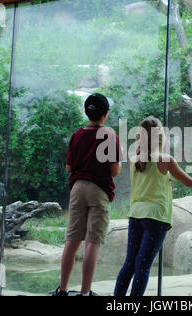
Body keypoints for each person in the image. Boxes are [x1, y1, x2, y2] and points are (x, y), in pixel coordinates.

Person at [114, 116, 192, 296]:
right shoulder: (165, 160)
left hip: (136, 216)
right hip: (156, 217)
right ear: (160, 137)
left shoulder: (133, 159)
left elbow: (147, 185)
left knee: (130, 264)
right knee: (143, 266)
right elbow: (188, 182)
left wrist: (164, 188)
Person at [53, 93, 123, 296]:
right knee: (93, 241)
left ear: (86, 112)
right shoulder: (110, 136)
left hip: (77, 189)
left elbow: (68, 168)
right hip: (99, 190)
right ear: (106, 114)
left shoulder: (76, 135)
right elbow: (115, 171)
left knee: (72, 240)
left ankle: (63, 290)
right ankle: (84, 293)